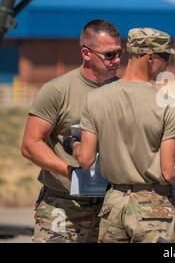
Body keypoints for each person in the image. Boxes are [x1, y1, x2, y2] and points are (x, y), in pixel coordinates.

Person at [74, 27, 175, 243]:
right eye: (165, 57)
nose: (167, 64)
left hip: (113, 206)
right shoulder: (167, 105)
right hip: (154, 210)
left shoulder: (95, 99)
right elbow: (169, 172)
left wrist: (75, 146)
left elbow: (86, 159)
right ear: (150, 57)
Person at [21, 19, 123, 242]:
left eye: (119, 53)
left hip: (110, 207)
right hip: (64, 206)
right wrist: (70, 172)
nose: (116, 60)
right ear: (86, 53)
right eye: (108, 55)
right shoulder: (57, 90)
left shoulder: (124, 92)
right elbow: (30, 144)